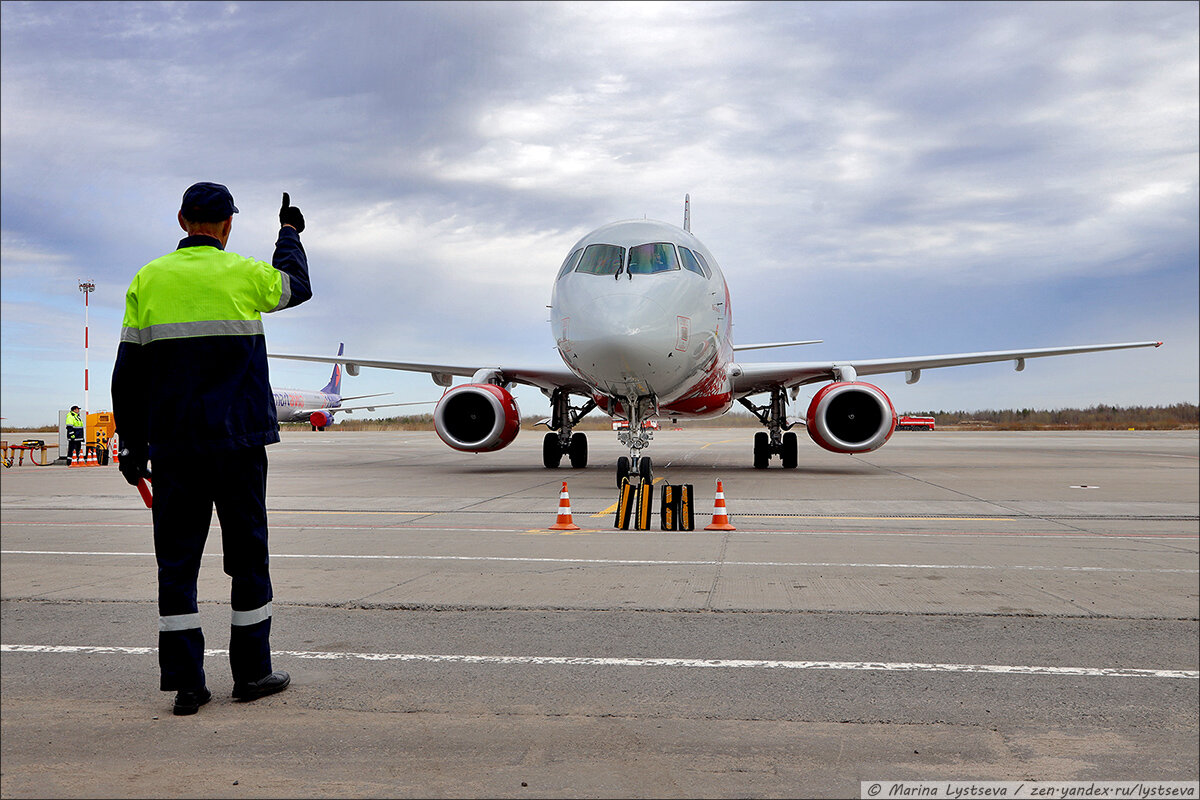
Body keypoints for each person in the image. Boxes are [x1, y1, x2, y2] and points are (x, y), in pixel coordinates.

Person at [111, 182, 312, 716]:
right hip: (239, 445)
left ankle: (186, 684)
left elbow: (127, 374)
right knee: (248, 559)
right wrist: (288, 233)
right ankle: (252, 673)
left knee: (177, 564)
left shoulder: (148, 279)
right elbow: (296, 286)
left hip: (174, 449)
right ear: (227, 225)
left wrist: (129, 446)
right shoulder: (245, 274)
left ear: (182, 220)